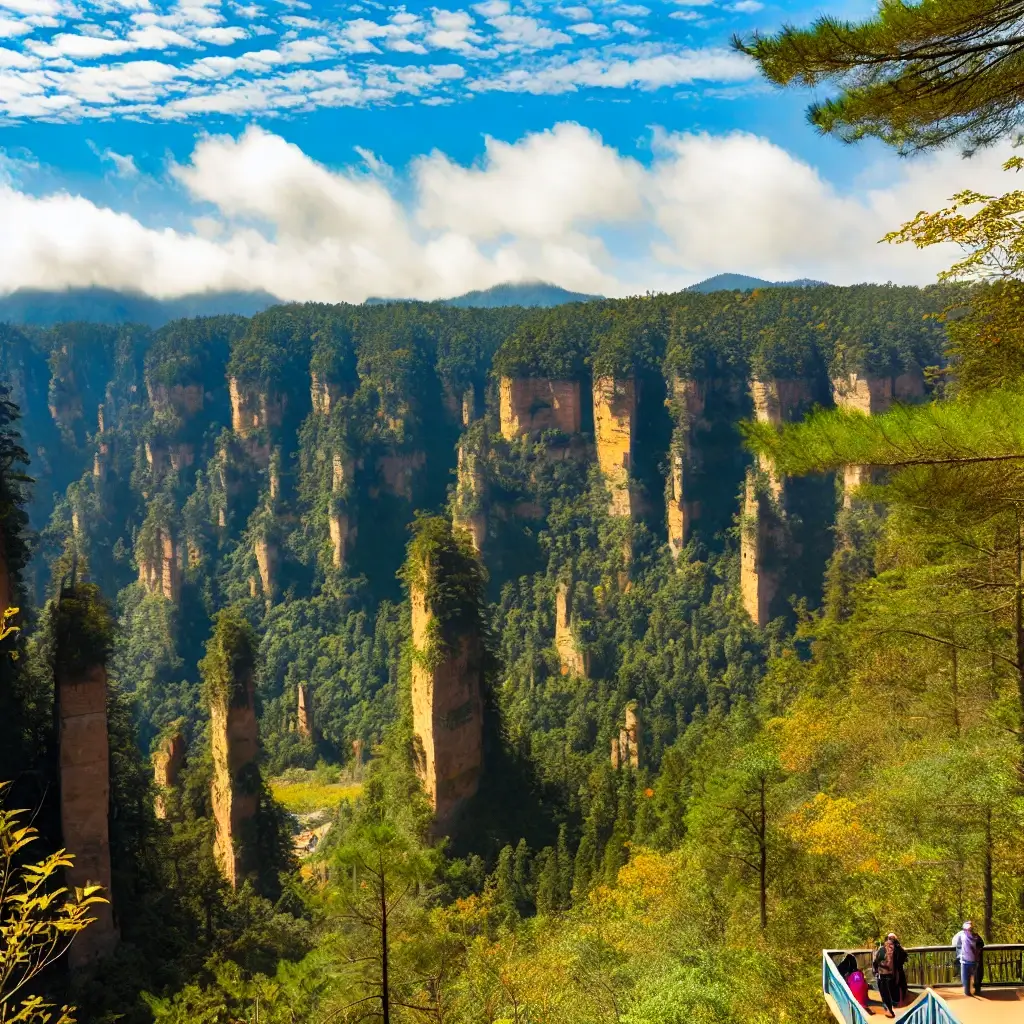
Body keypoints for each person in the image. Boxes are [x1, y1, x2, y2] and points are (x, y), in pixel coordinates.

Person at [872, 933, 907, 1018]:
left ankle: (889, 1010)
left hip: (882, 975)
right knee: (895, 991)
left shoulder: (881, 949)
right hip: (894, 975)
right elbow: (905, 958)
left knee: (885, 993)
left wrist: (876, 972)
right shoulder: (898, 949)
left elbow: (875, 961)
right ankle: (896, 1004)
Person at [952, 921, 985, 996]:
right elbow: (959, 948)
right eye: (967, 929)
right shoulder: (961, 936)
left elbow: (981, 945)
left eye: (970, 929)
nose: (969, 930)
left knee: (977, 977)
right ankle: (967, 991)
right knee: (965, 979)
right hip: (965, 961)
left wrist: (977, 952)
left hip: (975, 961)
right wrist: (960, 957)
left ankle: (976, 989)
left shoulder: (976, 937)